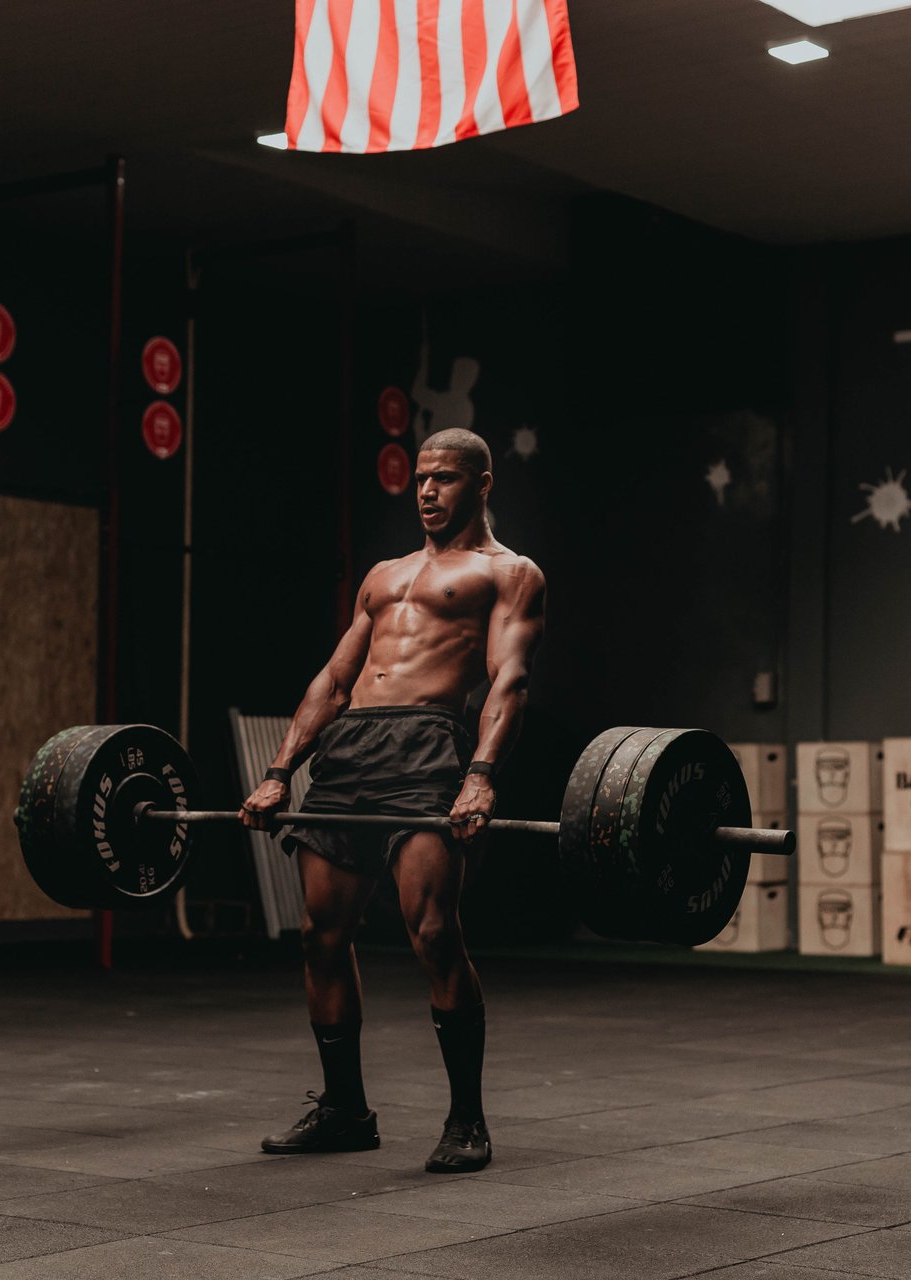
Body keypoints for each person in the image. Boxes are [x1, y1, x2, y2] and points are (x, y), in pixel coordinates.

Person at [240, 427, 545, 1175]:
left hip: (429, 749)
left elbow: (509, 678)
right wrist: (282, 769)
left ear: (482, 484)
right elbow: (335, 679)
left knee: (434, 931)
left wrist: (481, 773)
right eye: (420, 480)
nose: (428, 493)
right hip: (351, 753)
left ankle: (466, 1119)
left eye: (444, 479)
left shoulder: (510, 573)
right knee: (321, 935)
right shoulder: (383, 574)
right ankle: (345, 1110)